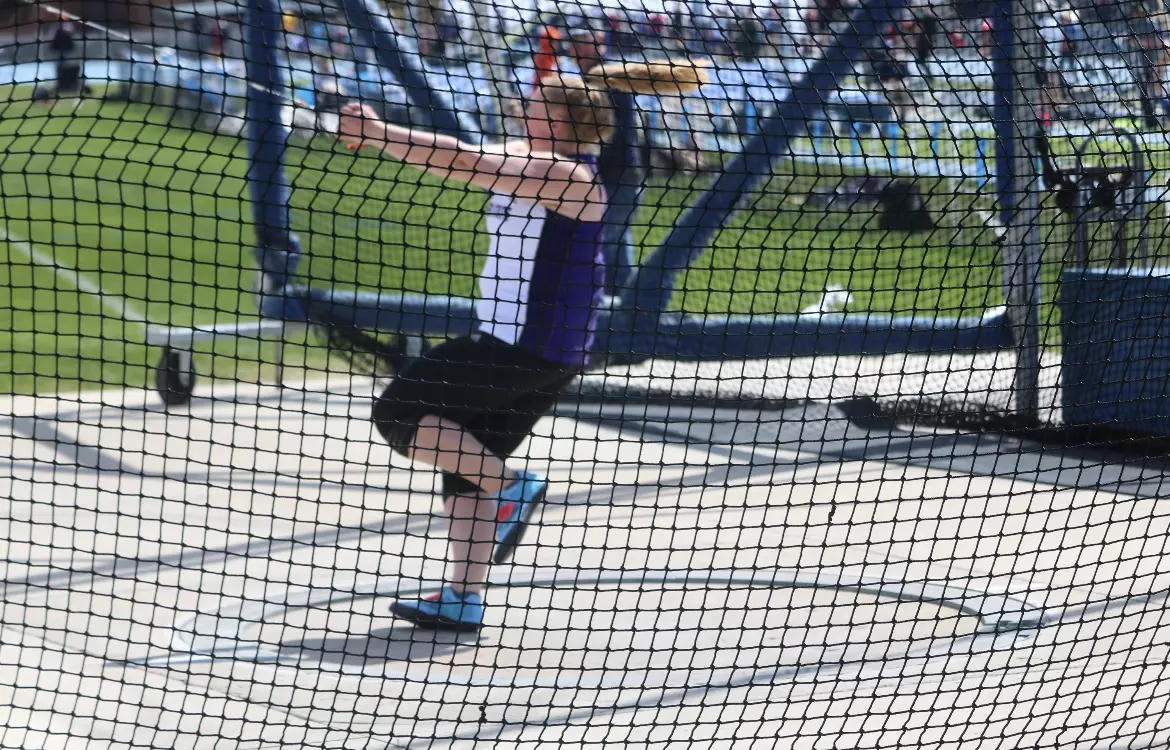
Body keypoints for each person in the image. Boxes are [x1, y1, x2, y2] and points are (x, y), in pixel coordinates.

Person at [332, 62, 701, 632]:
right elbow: (453, 159)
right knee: (467, 460)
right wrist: (377, 138)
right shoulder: (535, 161)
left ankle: (514, 487)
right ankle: (463, 596)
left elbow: (467, 161)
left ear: (563, 120)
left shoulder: (568, 175)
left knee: (399, 412)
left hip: (524, 345)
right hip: (536, 348)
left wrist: (379, 132)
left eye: (536, 104)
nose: (523, 107)